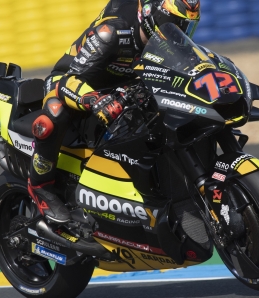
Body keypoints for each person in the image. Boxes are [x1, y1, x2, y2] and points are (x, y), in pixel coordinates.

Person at [28, 0, 213, 223]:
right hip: (73, 84)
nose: (179, 31)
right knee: (55, 112)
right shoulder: (112, 32)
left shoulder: (164, 41)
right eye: (173, 23)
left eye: (185, 26)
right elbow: (67, 80)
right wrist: (93, 100)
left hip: (122, 85)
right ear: (150, 14)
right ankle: (40, 185)